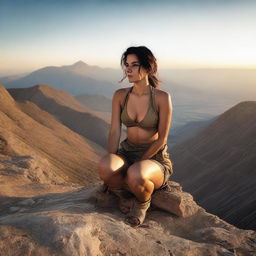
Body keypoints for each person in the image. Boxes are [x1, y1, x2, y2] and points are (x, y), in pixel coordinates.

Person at [98, 46, 173, 227]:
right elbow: (115, 131)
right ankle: (124, 195)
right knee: (105, 165)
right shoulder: (120, 95)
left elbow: (162, 138)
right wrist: (112, 162)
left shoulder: (162, 98)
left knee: (136, 174)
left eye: (134, 65)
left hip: (154, 158)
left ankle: (142, 204)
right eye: (126, 65)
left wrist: (139, 162)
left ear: (148, 68)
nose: (128, 69)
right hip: (127, 153)